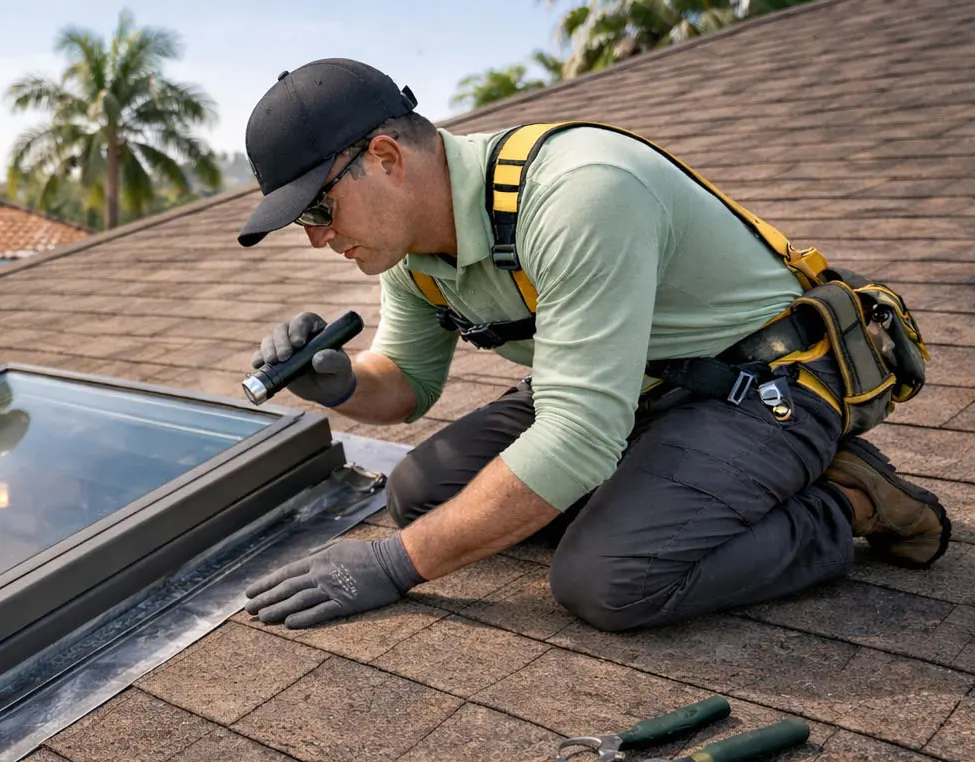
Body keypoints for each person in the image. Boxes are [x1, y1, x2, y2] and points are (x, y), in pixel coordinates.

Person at [236, 59, 949, 633]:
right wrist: (338, 383)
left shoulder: (577, 193)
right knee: (420, 492)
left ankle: (848, 501)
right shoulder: (414, 253)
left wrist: (394, 567)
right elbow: (407, 380)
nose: (317, 237)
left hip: (760, 383)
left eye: (319, 208)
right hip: (628, 390)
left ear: (386, 157)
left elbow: (577, 439)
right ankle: (669, 486)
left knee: (608, 581)